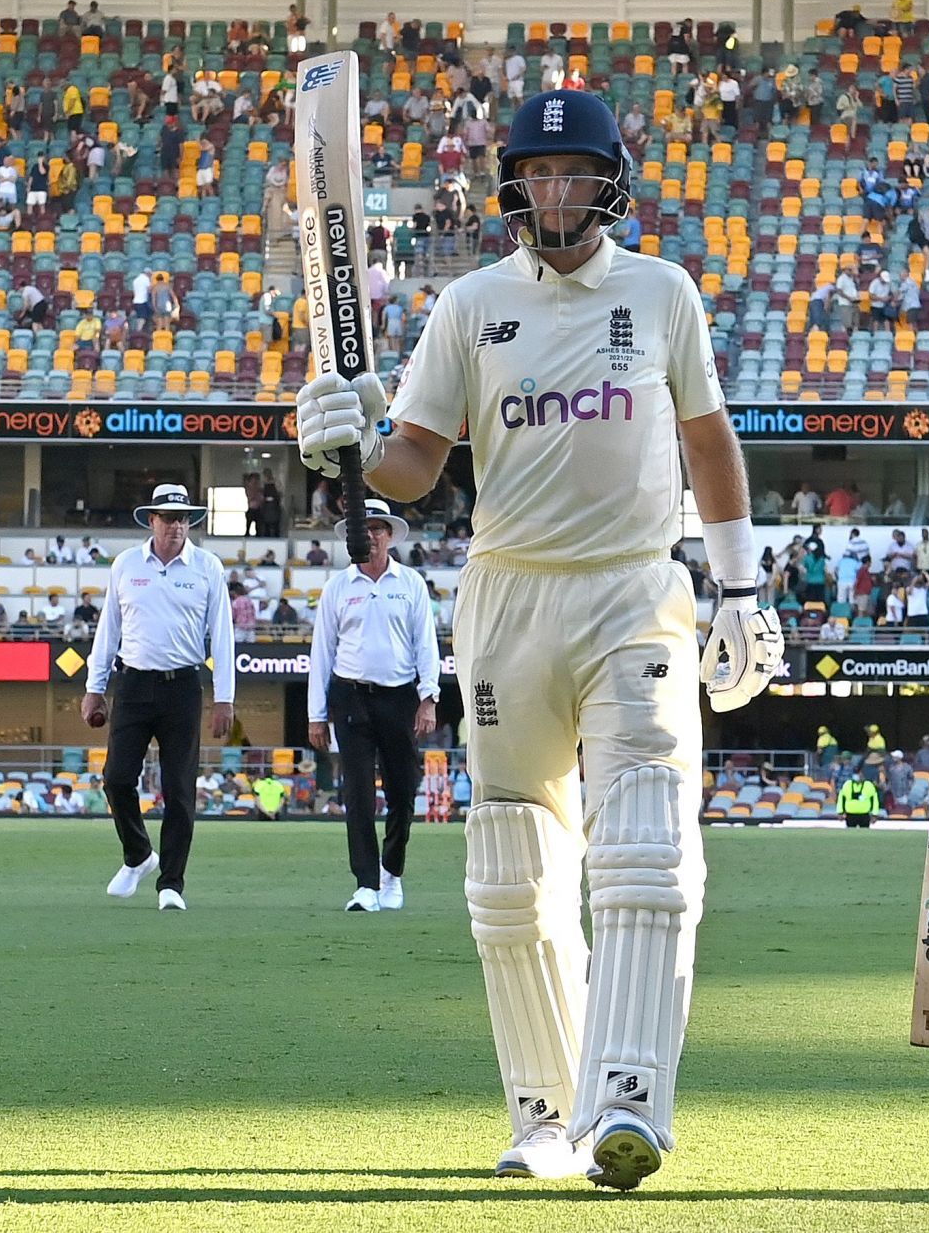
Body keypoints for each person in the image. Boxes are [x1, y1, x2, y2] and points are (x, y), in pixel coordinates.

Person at [293, 88, 783, 1191]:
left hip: (635, 591)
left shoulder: (664, 294)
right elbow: (417, 462)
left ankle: (630, 1101)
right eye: (539, 172)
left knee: (646, 841)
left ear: (609, 180)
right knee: (512, 867)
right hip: (508, 595)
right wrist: (357, 444)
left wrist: (740, 585)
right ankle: (544, 1113)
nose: (557, 191)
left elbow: (709, 441)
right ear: (512, 187)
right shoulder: (470, 306)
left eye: (576, 170)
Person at [81, 485, 237, 913]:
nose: (176, 526)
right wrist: (95, 688)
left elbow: (222, 635)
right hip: (132, 683)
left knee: (179, 789)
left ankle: (171, 882)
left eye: (183, 519)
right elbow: (108, 629)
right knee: (115, 777)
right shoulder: (127, 565)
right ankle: (138, 855)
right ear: (151, 521)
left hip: (183, 686)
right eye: (168, 518)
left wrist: (225, 697)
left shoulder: (207, 567)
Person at [308, 499, 442, 913]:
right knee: (358, 793)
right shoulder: (337, 586)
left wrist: (428, 697)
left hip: (399, 695)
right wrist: (316, 713)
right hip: (350, 695)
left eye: (377, 528)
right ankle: (365, 883)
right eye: (362, 529)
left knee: (403, 790)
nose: (370, 535)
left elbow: (426, 644)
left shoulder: (411, 583)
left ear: (389, 535)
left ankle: (392, 872)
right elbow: (322, 652)